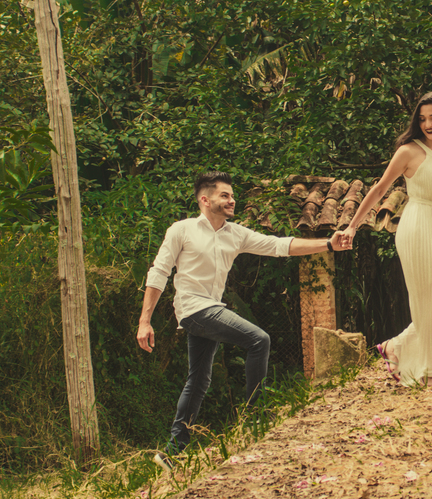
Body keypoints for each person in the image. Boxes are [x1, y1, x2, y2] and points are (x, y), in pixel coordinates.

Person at [137, 170, 351, 469]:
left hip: (210, 307)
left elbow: (280, 246)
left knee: (198, 380)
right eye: (224, 195)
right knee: (258, 339)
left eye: (232, 195)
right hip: (193, 308)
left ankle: (172, 452)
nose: (231, 200)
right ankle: (255, 419)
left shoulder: (235, 233)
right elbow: (159, 272)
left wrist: (328, 244)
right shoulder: (182, 230)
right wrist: (144, 321)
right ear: (205, 199)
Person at [342, 91, 432, 387]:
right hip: (418, 226)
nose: (428, 124)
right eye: (423, 118)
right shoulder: (408, 152)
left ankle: (396, 347)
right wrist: (352, 225)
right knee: (429, 301)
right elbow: (378, 190)